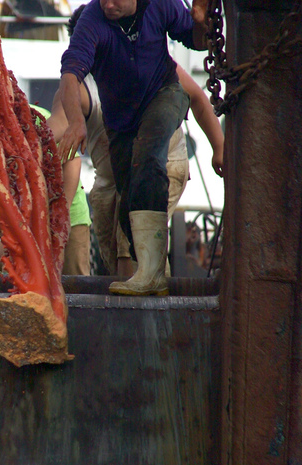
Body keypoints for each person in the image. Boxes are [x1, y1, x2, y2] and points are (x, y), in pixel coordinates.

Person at [50, 5, 223, 277]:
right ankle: (147, 291)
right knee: (119, 252)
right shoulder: (82, 87)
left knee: (131, 235)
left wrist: (220, 147)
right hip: (111, 182)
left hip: (163, 163)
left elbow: (199, 99)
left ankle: (149, 302)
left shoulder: (155, 63)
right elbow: (58, 119)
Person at [0, 96, 93, 276]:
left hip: (69, 219)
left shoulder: (34, 119)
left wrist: (62, 216)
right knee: (18, 284)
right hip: (19, 229)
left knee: (74, 284)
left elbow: (72, 163)